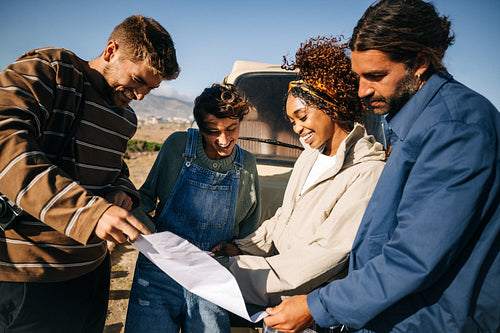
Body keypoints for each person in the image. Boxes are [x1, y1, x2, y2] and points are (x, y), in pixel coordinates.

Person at [263, 0, 500, 332]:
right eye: (358, 76)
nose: (362, 91)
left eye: (375, 76)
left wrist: (318, 305)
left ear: (419, 62)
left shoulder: (454, 127)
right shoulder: (413, 121)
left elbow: (414, 256)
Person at [0, 15, 179, 333]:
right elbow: (7, 146)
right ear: (111, 50)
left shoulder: (126, 118)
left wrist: (121, 190)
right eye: (138, 80)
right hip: (32, 276)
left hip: (92, 272)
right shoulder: (49, 70)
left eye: (150, 89)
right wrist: (92, 212)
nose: (139, 96)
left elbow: (114, 167)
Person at [211, 37, 386, 332]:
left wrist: (235, 272)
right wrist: (241, 248)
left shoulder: (367, 173)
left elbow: (326, 255)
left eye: (302, 116)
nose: (297, 129)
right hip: (278, 297)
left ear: (332, 105)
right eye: (292, 121)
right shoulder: (310, 157)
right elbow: (284, 220)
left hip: (311, 311)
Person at [124, 83, 261, 333]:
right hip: (160, 271)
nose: (223, 140)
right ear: (200, 127)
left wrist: (238, 248)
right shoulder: (177, 146)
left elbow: (249, 226)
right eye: (212, 131)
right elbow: (144, 199)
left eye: (231, 129)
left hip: (211, 278)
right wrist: (149, 234)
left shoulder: (247, 164)